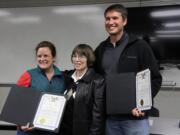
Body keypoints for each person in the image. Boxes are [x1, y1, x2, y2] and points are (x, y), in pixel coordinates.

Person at [94, 4, 162, 135]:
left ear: (124, 21)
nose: (110, 22)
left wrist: (144, 105)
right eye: (107, 19)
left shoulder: (140, 46)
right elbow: (94, 77)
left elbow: (155, 78)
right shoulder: (101, 49)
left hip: (135, 119)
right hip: (110, 120)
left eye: (115, 18)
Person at [16, 41, 65, 135]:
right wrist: (21, 124)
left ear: (53, 57)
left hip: (51, 131)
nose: (42, 59)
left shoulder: (63, 78)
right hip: (29, 131)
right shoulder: (28, 75)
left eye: (46, 55)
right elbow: (16, 103)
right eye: (39, 56)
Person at [59, 44, 105, 135]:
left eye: (82, 57)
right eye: (74, 56)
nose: (77, 60)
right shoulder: (67, 77)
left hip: (83, 131)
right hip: (64, 130)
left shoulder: (97, 80)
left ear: (89, 58)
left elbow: (98, 115)